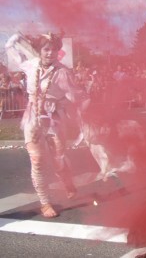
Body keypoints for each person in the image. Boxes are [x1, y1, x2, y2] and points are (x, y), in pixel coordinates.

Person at [15, 33, 88, 218]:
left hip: (55, 119)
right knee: (37, 160)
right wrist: (15, 39)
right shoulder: (31, 65)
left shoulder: (62, 72)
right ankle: (45, 202)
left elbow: (77, 96)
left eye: (54, 49)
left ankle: (67, 182)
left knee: (59, 159)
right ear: (40, 50)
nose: (50, 53)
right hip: (33, 119)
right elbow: (15, 52)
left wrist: (83, 110)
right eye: (46, 49)